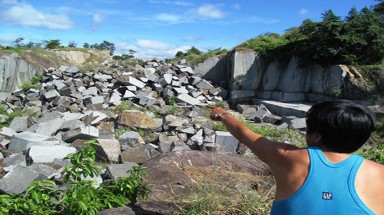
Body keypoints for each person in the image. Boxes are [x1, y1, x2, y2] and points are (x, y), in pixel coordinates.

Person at [209, 100, 384, 215]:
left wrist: (223, 114)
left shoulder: (287, 157)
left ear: (316, 136)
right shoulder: (380, 173)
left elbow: (245, 134)